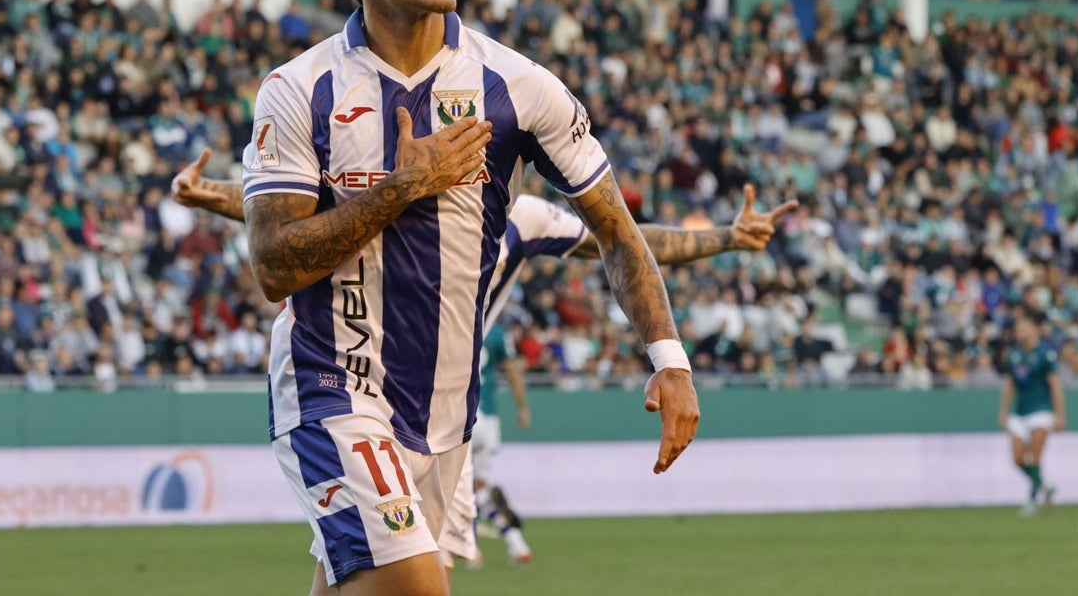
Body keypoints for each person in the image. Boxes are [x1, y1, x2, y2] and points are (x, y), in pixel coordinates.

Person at [238, 0, 698, 596]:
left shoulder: (519, 86)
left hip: (446, 414)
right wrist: (404, 185)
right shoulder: (299, 91)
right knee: (417, 587)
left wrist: (669, 360)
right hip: (333, 386)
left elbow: (616, 231)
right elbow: (274, 266)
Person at [174, 153, 795, 569]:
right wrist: (216, 197)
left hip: (445, 418)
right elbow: (299, 217)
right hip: (357, 393)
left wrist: (726, 238)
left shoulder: (524, 219)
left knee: (373, 572)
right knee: (404, 571)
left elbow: (631, 239)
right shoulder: (405, 194)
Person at [998, 312, 1066, 517]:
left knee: (1035, 457)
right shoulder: (1014, 355)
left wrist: (1060, 414)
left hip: (1041, 411)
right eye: (1017, 328)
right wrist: (1003, 411)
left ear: (1034, 329)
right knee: (1017, 459)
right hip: (1020, 412)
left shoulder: (1045, 354)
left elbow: (1055, 385)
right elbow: (1010, 384)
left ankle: (1031, 501)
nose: (1019, 331)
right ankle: (1045, 486)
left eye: (1023, 327)